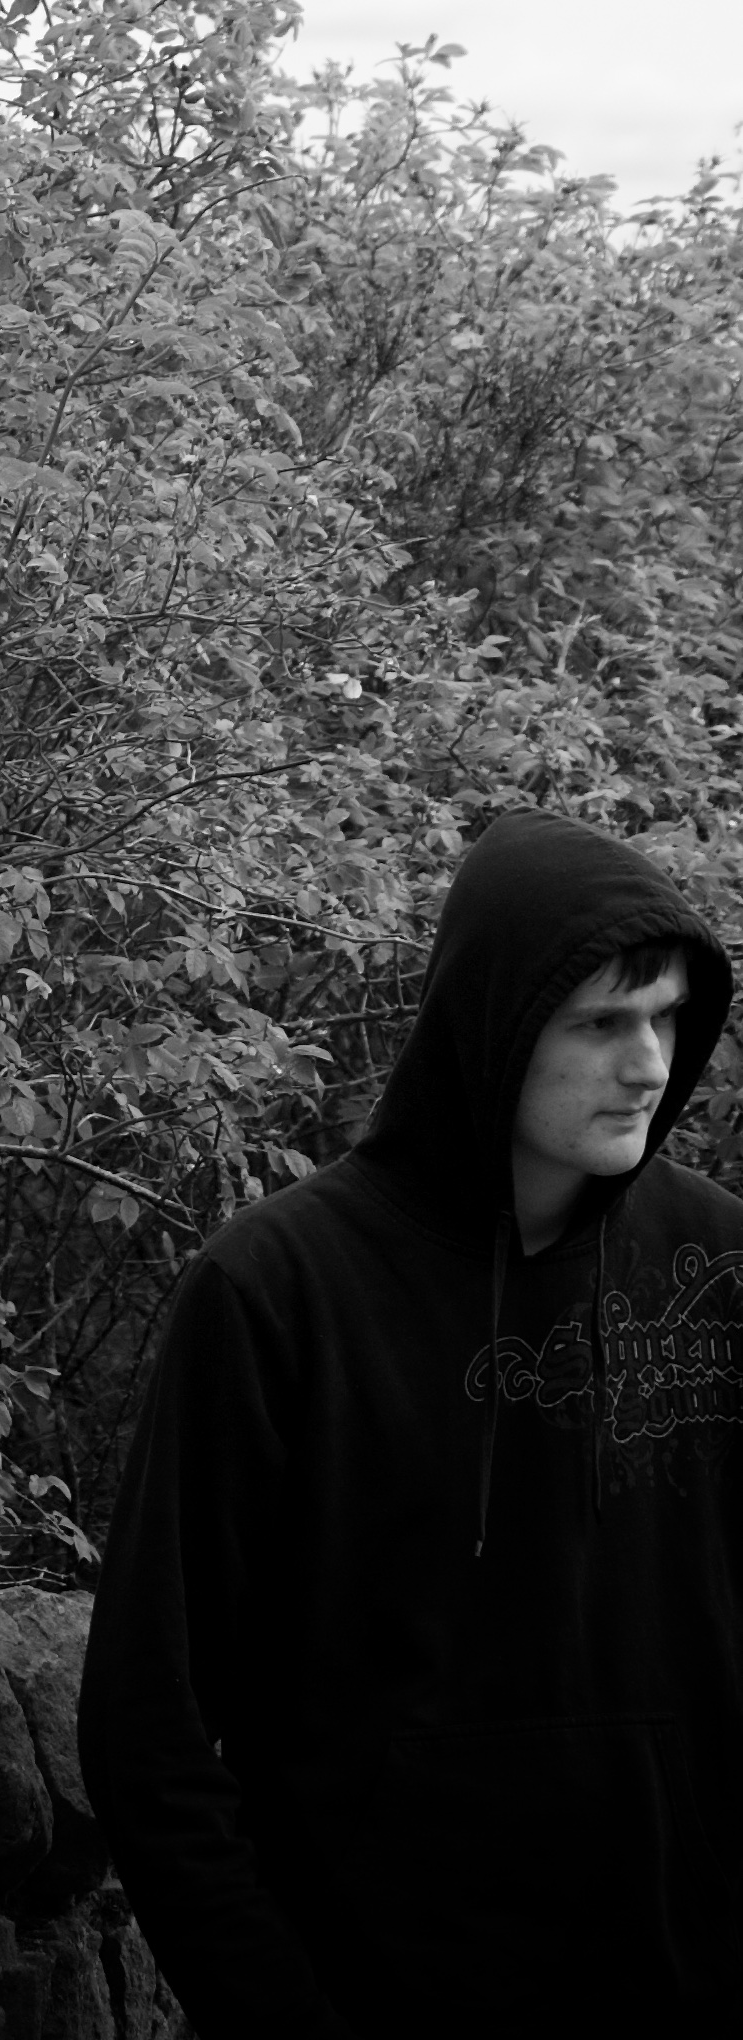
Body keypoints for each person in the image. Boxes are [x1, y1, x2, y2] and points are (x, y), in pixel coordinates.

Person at [77, 810, 743, 2035]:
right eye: (602, 1023)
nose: (650, 1064)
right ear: (494, 1024)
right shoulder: (279, 1292)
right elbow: (147, 1727)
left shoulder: (718, 1267)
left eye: (668, 1017)